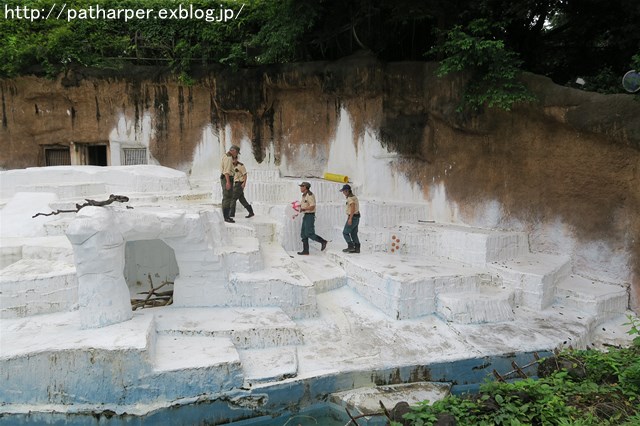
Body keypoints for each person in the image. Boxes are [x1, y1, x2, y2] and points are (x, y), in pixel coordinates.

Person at [297, 182, 328, 255]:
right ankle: (305, 251)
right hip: (306, 216)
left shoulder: (310, 195)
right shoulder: (304, 196)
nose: (300, 187)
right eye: (300, 186)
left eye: (302, 186)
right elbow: (303, 205)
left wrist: (303, 209)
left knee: (309, 233)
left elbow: (312, 207)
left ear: (306, 187)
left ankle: (323, 241)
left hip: (310, 216)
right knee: (303, 234)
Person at [220, 145, 239, 223]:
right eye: (237, 153)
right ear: (233, 151)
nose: (236, 155)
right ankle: (226, 217)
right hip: (227, 178)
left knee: (227, 197)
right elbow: (226, 172)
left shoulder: (225, 155)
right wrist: (228, 182)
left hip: (226, 178)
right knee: (227, 197)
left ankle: (225, 216)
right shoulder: (229, 158)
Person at [340, 184, 360, 253]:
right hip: (357, 216)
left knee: (345, 232)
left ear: (347, 191)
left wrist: (350, 218)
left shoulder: (350, 198)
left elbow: (353, 207)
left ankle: (350, 246)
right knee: (354, 233)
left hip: (353, 217)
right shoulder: (354, 197)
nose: (343, 193)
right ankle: (357, 248)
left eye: (343, 191)